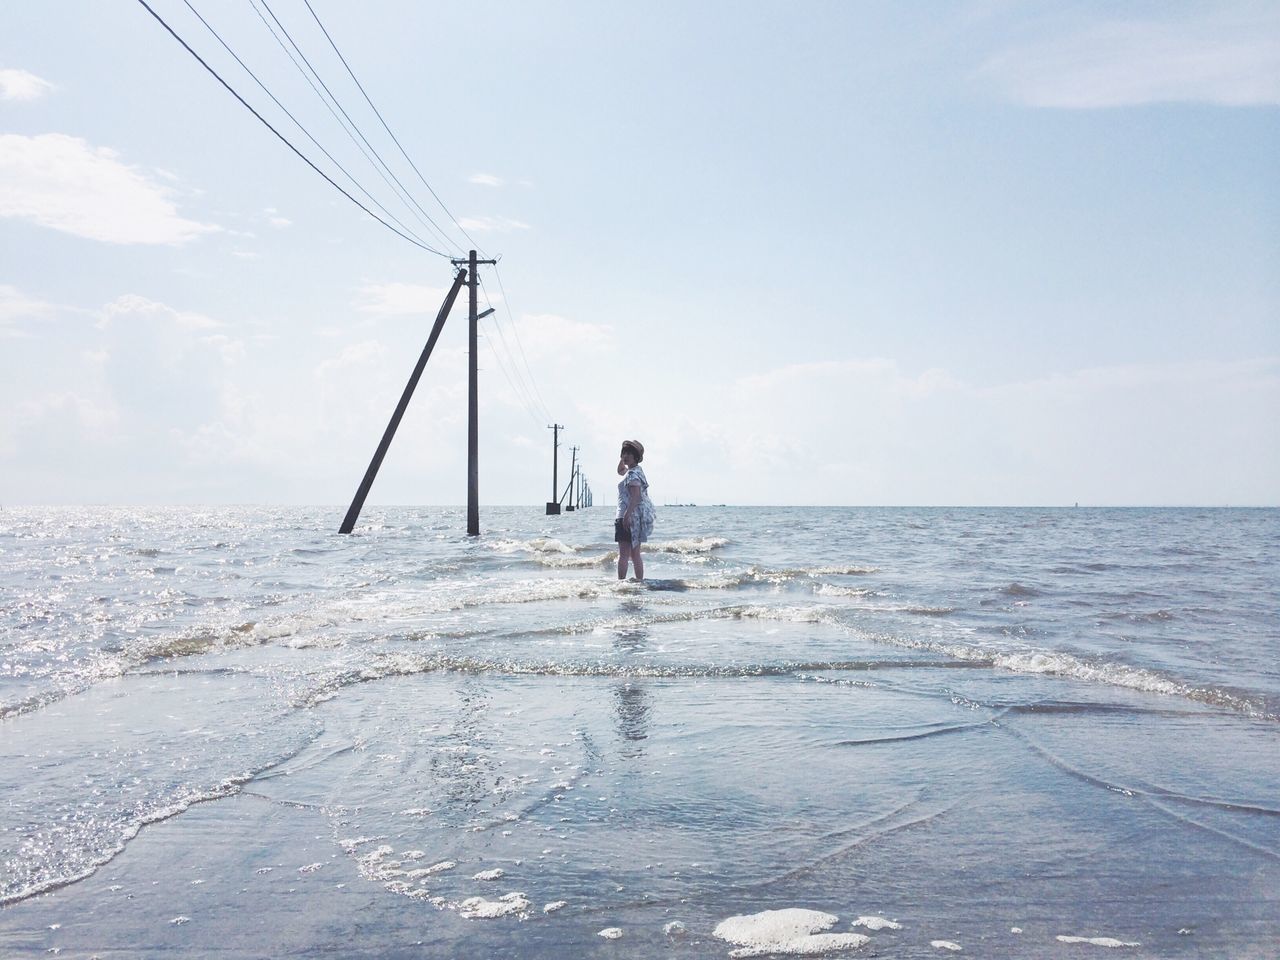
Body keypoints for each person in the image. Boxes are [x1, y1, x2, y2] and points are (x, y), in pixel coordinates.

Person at [615, 439, 655, 581]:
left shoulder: (632, 474)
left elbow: (636, 496)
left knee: (624, 555)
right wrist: (622, 456)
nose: (625, 456)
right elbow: (620, 471)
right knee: (635, 554)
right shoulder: (635, 471)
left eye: (629, 454)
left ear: (636, 457)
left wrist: (626, 515)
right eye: (624, 453)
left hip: (626, 516)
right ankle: (640, 583)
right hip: (635, 517)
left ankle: (621, 584)